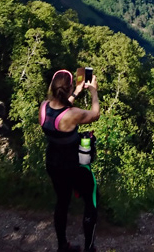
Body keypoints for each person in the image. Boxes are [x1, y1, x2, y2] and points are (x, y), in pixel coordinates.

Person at [39, 69, 100, 252]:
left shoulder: (43, 107)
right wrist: (93, 92)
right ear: (69, 87)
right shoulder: (73, 114)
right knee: (91, 200)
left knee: (62, 202)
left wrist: (74, 94)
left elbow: (60, 111)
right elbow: (94, 114)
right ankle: (89, 247)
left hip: (53, 164)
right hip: (74, 165)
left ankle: (62, 246)